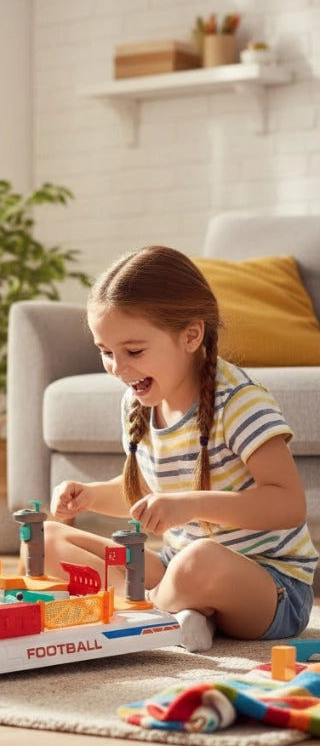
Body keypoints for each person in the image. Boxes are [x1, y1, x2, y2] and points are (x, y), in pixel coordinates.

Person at [45, 245, 317, 653]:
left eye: (134, 351)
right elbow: (146, 491)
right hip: (177, 569)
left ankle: (148, 613)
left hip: (269, 587)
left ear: (191, 335)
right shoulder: (138, 403)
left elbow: (288, 504)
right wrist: (89, 496)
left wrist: (189, 505)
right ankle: (177, 611)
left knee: (200, 560)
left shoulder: (239, 401)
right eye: (106, 352)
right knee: (46, 540)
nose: (118, 367)